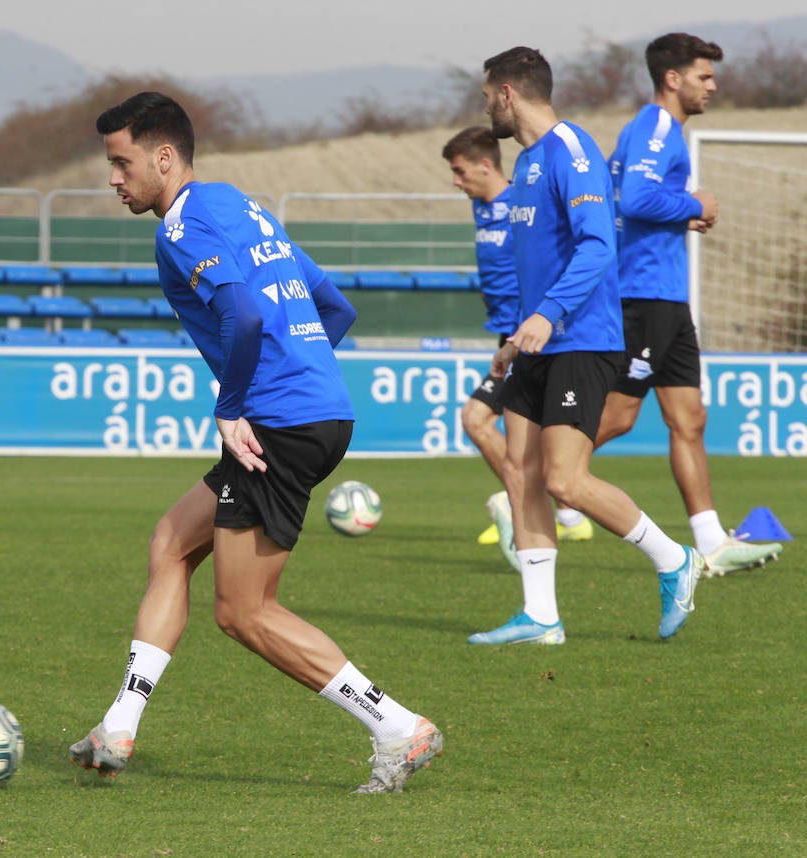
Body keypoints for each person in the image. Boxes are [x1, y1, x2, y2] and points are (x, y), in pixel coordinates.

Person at [68, 92, 441, 794]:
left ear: (164, 157)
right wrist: (295, 376)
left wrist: (236, 404)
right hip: (314, 412)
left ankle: (397, 726)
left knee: (244, 613)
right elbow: (336, 307)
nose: (113, 178)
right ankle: (119, 724)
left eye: (121, 163)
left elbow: (240, 317)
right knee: (171, 543)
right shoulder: (239, 205)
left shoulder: (181, 230)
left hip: (277, 426)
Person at [468, 46, 706, 646]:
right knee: (521, 475)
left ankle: (674, 560)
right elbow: (539, 263)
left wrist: (548, 316)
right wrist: (515, 338)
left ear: (505, 94)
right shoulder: (525, 164)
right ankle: (541, 616)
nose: (485, 107)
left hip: (583, 341)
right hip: (537, 343)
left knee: (565, 481)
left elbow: (597, 246)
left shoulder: (570, 150)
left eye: (485, 96)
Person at [601, 33, 782, 578]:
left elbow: (633, 202)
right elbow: (633, 199)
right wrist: (693, 202)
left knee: (689, 419)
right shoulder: (657, 126)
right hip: (645, 292)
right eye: (704, 76)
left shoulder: (657, 130)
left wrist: (682, 213)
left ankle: (710, 543)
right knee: (620, 416)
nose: (714, 85)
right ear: (672, 79)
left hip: (667, 297)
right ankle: (529, 485)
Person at [442, 127, 593, 570]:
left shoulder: (520, 209)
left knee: (476, 419)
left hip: (526, 335)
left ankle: (522, 507)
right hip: (505, 336)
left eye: (460, 170)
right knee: (514, 439)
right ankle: (563, 513)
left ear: (486, 165)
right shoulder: (480, 206)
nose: (455, 180)